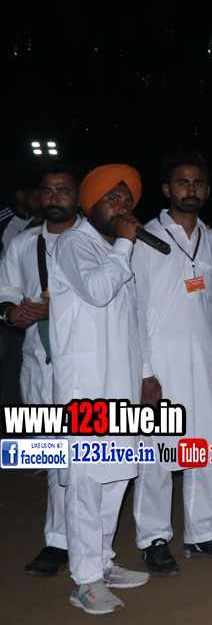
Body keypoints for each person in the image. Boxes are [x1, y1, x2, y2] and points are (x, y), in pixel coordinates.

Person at [132, 153, 212, 575]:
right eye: (182, 182)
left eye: (198, 183)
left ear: (208, 191)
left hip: (207, 360)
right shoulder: (145, 237)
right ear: (167, 189)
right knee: (159, 454)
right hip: (163, 363)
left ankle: (201, 532)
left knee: (207, 447)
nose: (190, 189)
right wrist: (145, 371)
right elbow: (138, 306)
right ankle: (154, 539)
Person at [51, 164, 150, 613]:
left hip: (121, 385)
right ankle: (84, 580)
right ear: (89, 203)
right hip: (86, 389)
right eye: (112, 199)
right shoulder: (73, 243)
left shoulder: (116, 250)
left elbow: (133, 321)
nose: (122, 208)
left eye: (128, 201)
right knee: (86, 483)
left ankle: (103, 562)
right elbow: (96, 291)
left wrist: (144, 374)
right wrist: (126, 245)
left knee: (116, 476)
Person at [0, 164, 81, 578]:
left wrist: (58, 309)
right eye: (47, 191)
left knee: (85, 455)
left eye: (63, 191)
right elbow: (6, 292)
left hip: (86, 365)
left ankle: (85, 539)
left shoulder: (97, 241)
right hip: (40, 363)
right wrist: (11, 313)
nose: (54, 198)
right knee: (54, 454)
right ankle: (59, 541)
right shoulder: (23, 243)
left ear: (78, 195)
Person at [0, 167, 42, 407]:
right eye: (37, 197)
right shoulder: (4, 220)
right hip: (8, 305)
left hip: (34, 304)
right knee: (11, 361)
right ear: (20, 195)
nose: (43, 202)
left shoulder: (44, 221)